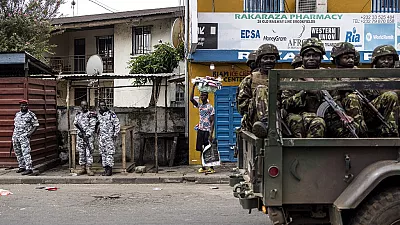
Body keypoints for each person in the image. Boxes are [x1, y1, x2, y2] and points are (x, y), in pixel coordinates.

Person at [281, 38, 326, 138]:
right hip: (297, 115)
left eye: (315, 55)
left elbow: (335, 100)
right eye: (307, 55)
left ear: (321, 57)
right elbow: (284, 104)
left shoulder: (328, 76)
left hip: (323, 116)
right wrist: (304, 92)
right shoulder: (293, 76)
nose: (311, 58)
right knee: (299, 122)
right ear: (302, 58)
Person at [237, 44, 280, 137]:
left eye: (272, 58)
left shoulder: (281, 79)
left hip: (277, 116)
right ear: (259, 61)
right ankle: (266, 123)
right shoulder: (249, 80)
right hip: (255, 118)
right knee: (261, 89)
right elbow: (241, 107)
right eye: (265, 58)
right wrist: (258, 102)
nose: (269, 61)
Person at [327, 42, 368, 137]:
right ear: (337, 59)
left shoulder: (360, 73)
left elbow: (372, 93)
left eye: (352, 57)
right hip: (339, 113)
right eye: (346, 58)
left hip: (363, 109)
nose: (350, 60)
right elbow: (331, 98)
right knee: (351, 98)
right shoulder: (330, 74)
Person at [190, 85, 215, 174]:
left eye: (203, 95)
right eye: (201, 96)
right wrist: (193, 87)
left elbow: (212, 121)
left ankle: (211, 167)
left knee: (208, 149)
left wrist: (211, 133)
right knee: (200, 149)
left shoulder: (210, 107)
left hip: (207, 131)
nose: (202, 97)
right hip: (200, 130)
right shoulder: (200, 106)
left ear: (207, 96)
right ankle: (203, 166)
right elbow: (191, 99)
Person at [12, 100, 39, 175]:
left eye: (25, 105)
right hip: (16, 136)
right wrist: (14, 136)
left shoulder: (31, 114)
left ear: (27, 106)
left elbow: (36, 125)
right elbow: (15, 126)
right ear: (20, 106)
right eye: (22, 105)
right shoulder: (17, 114)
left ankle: (29, 168)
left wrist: (29, 134)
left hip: (24, 136)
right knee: (18, 152)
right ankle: (22, 166)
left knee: (26, 152)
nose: (24, 107)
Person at [97, 101, 120, 176]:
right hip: (101, 137)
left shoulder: (111, 113)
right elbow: (96, 124)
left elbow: (117, 123)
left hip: (109, 137)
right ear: (99, 106)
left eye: (104, 105)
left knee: (109, 153)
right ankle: (105, 169)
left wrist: (115, 134)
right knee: (103, 153)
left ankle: (109, 170)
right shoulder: (98, 114)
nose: (103, 106)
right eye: (101, 105)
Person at [74, 101, 97, 176]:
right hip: (80, 137)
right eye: (83, 105)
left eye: (86, 105)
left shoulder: (91, 115)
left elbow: (92, 127)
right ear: (81, 106)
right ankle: (82, 168)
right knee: (81, 152)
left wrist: (87, 135)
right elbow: (75, 124)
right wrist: (79, 133)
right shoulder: (78, 114)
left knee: (89, 153)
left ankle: (89, 168)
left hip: (88, 138)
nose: (85, 107)